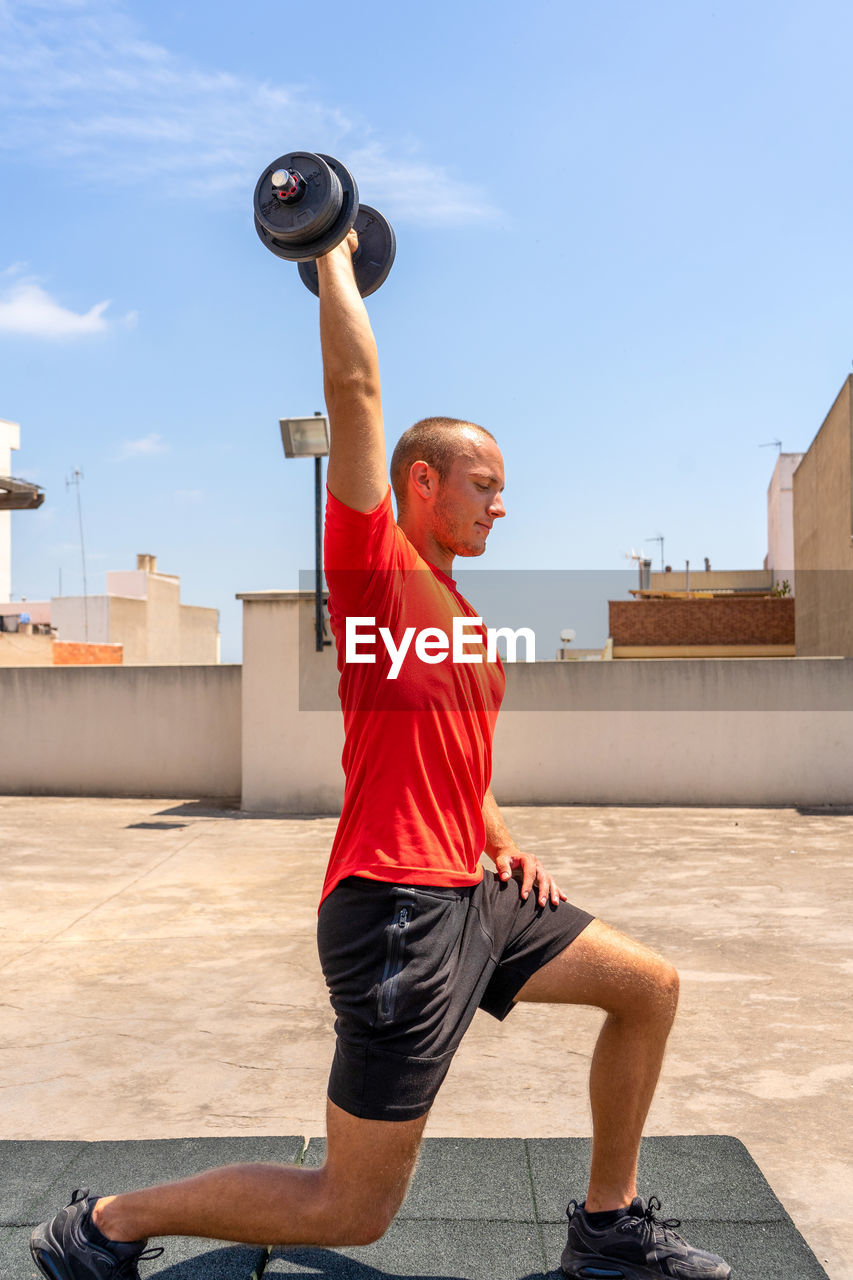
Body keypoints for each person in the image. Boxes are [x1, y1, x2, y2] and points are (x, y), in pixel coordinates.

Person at [31, 231, 731, 1280]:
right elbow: (354, 385)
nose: (502, 502)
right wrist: (333, 257)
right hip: (397, 909)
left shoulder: (458, 611)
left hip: (476, 890)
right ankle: (105, 1223)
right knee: (351, 1207)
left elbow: (461, 758)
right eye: (485, 483)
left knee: (648, 986)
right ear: (420, 481)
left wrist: (500, 839)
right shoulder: (373, 568)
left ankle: (607, 1227)